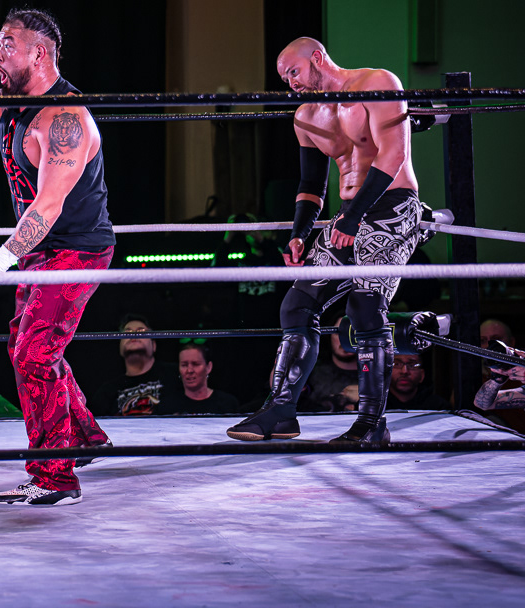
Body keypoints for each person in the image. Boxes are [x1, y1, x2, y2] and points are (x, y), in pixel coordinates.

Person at [0, 8, 115, 507]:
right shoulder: (12, 105)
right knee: (28, 347)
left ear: (38, 53)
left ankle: (55, 478)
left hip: (76, 249)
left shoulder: (65, 118)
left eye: (7, 45)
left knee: (34, 354)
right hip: (41, 250)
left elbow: (48, 206)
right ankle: (84, 437)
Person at [228, 37, 423, 447]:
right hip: (348, 214)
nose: (290, 83)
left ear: (317, 58)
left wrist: (352, 218)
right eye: (284, 78)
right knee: (297, 303)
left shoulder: (377, 83)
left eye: (294, 72)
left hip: (393, 206)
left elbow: (393, 155)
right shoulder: (305, 116)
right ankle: (281, 411)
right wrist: (299, 233)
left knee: (364, 306)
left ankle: (371, 423)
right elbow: (311, 183)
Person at [88, 315, 181, 416]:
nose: (134, 334)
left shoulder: (176, 374)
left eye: (141, 331)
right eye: (127, 332)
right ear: (120, 346)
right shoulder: (107, 391)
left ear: (153, 345)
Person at [154, 343, 241, 415]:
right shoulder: (167, 405)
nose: (189, 370)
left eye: (195, 364)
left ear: (208, 367)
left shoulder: (227, 403)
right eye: (184, 365)